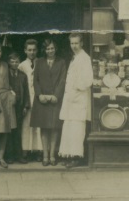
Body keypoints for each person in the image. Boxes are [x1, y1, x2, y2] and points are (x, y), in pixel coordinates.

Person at [59, 33, 93, 169]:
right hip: (71, 100)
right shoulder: (75, 58)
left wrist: (75, 87)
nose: (74, 46)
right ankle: (69, 156)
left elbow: (87, 80)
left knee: (77, 130)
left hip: (78, 100)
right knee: (69, 129)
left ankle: (76, 158)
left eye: (76, 43)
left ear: (82, 44)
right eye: (72, 43)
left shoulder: (85, 58)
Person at [30, 38, 66, 166]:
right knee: (44, 128)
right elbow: (36, 80)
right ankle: (45, 155)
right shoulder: (39, 62)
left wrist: (56, 95)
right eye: (47, 49)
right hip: (42, 100)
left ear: (55, 49)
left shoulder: (61, 62)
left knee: (55, 128)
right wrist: (39, 95)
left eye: (52, 48)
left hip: (55, 100)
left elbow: (62, 80)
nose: (50, 51)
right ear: (44, 50)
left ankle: (52, 156)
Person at [18, 39, 43, 162]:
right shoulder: (21, 65)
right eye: (29, 50)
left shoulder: (41, 63)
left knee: (38, 125)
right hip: (27, 100)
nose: (32, 52)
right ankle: (25, 151)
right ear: (25, 51)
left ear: (37, 50)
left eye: (34, 50)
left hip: (38, 98)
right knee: (26, 125)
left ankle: (39, 150)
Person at [5, 52, 30, 164]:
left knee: (18, 131)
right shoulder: (5, 75)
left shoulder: (22, 75)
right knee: (9, 131)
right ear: (9, 62)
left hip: (19, 107)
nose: (14, 63)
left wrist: (25, 106)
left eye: (16, 61)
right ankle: (9, 156)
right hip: (9, 107)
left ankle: (19, 155)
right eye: (12, 61)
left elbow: (27, 92)